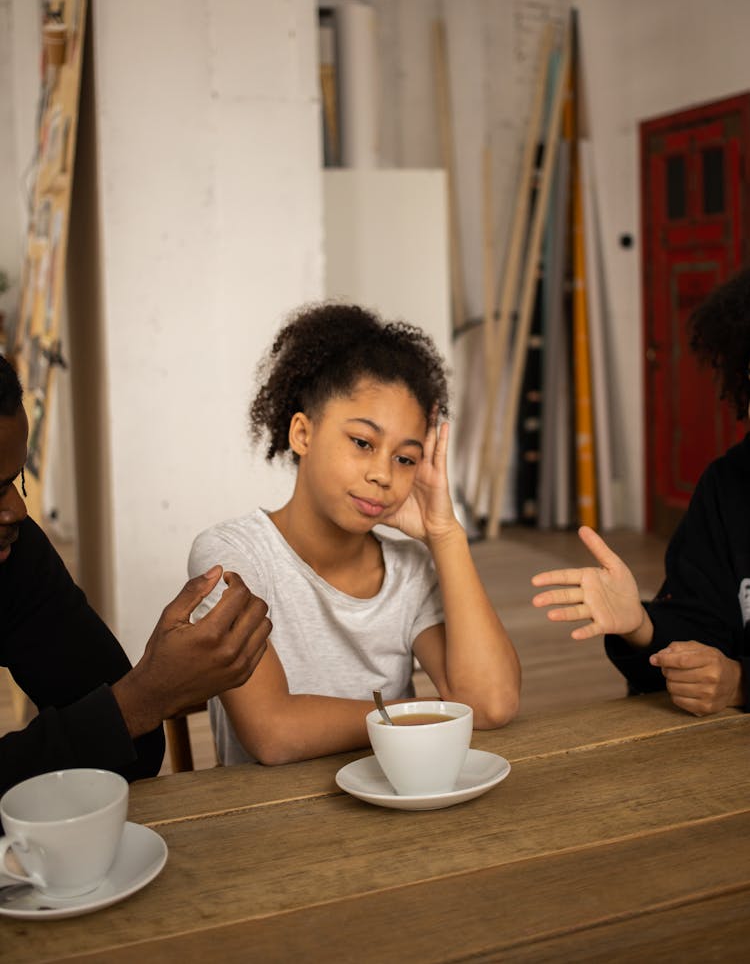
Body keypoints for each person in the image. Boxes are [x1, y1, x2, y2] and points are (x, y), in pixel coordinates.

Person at [188, 302, 521, 766]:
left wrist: (445, 534)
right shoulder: (233, 555)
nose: (383, 475)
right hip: (272, 825)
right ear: (303, 433)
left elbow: (491, 703)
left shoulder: (411, 570)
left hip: (398, 809)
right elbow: (273, 732)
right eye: (363, 443)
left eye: (405, 458)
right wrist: (425, 716)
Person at [0, 355, 271, 797]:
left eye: (16, 481)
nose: (16, 509)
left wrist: (145, 695)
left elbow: (135, 755)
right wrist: (139, 701)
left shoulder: (17, 554)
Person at [531, 266, 750, 716]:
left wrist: (744, 683)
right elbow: (700, 636)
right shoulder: (727, 486)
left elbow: (733, 680)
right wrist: (642, 626)